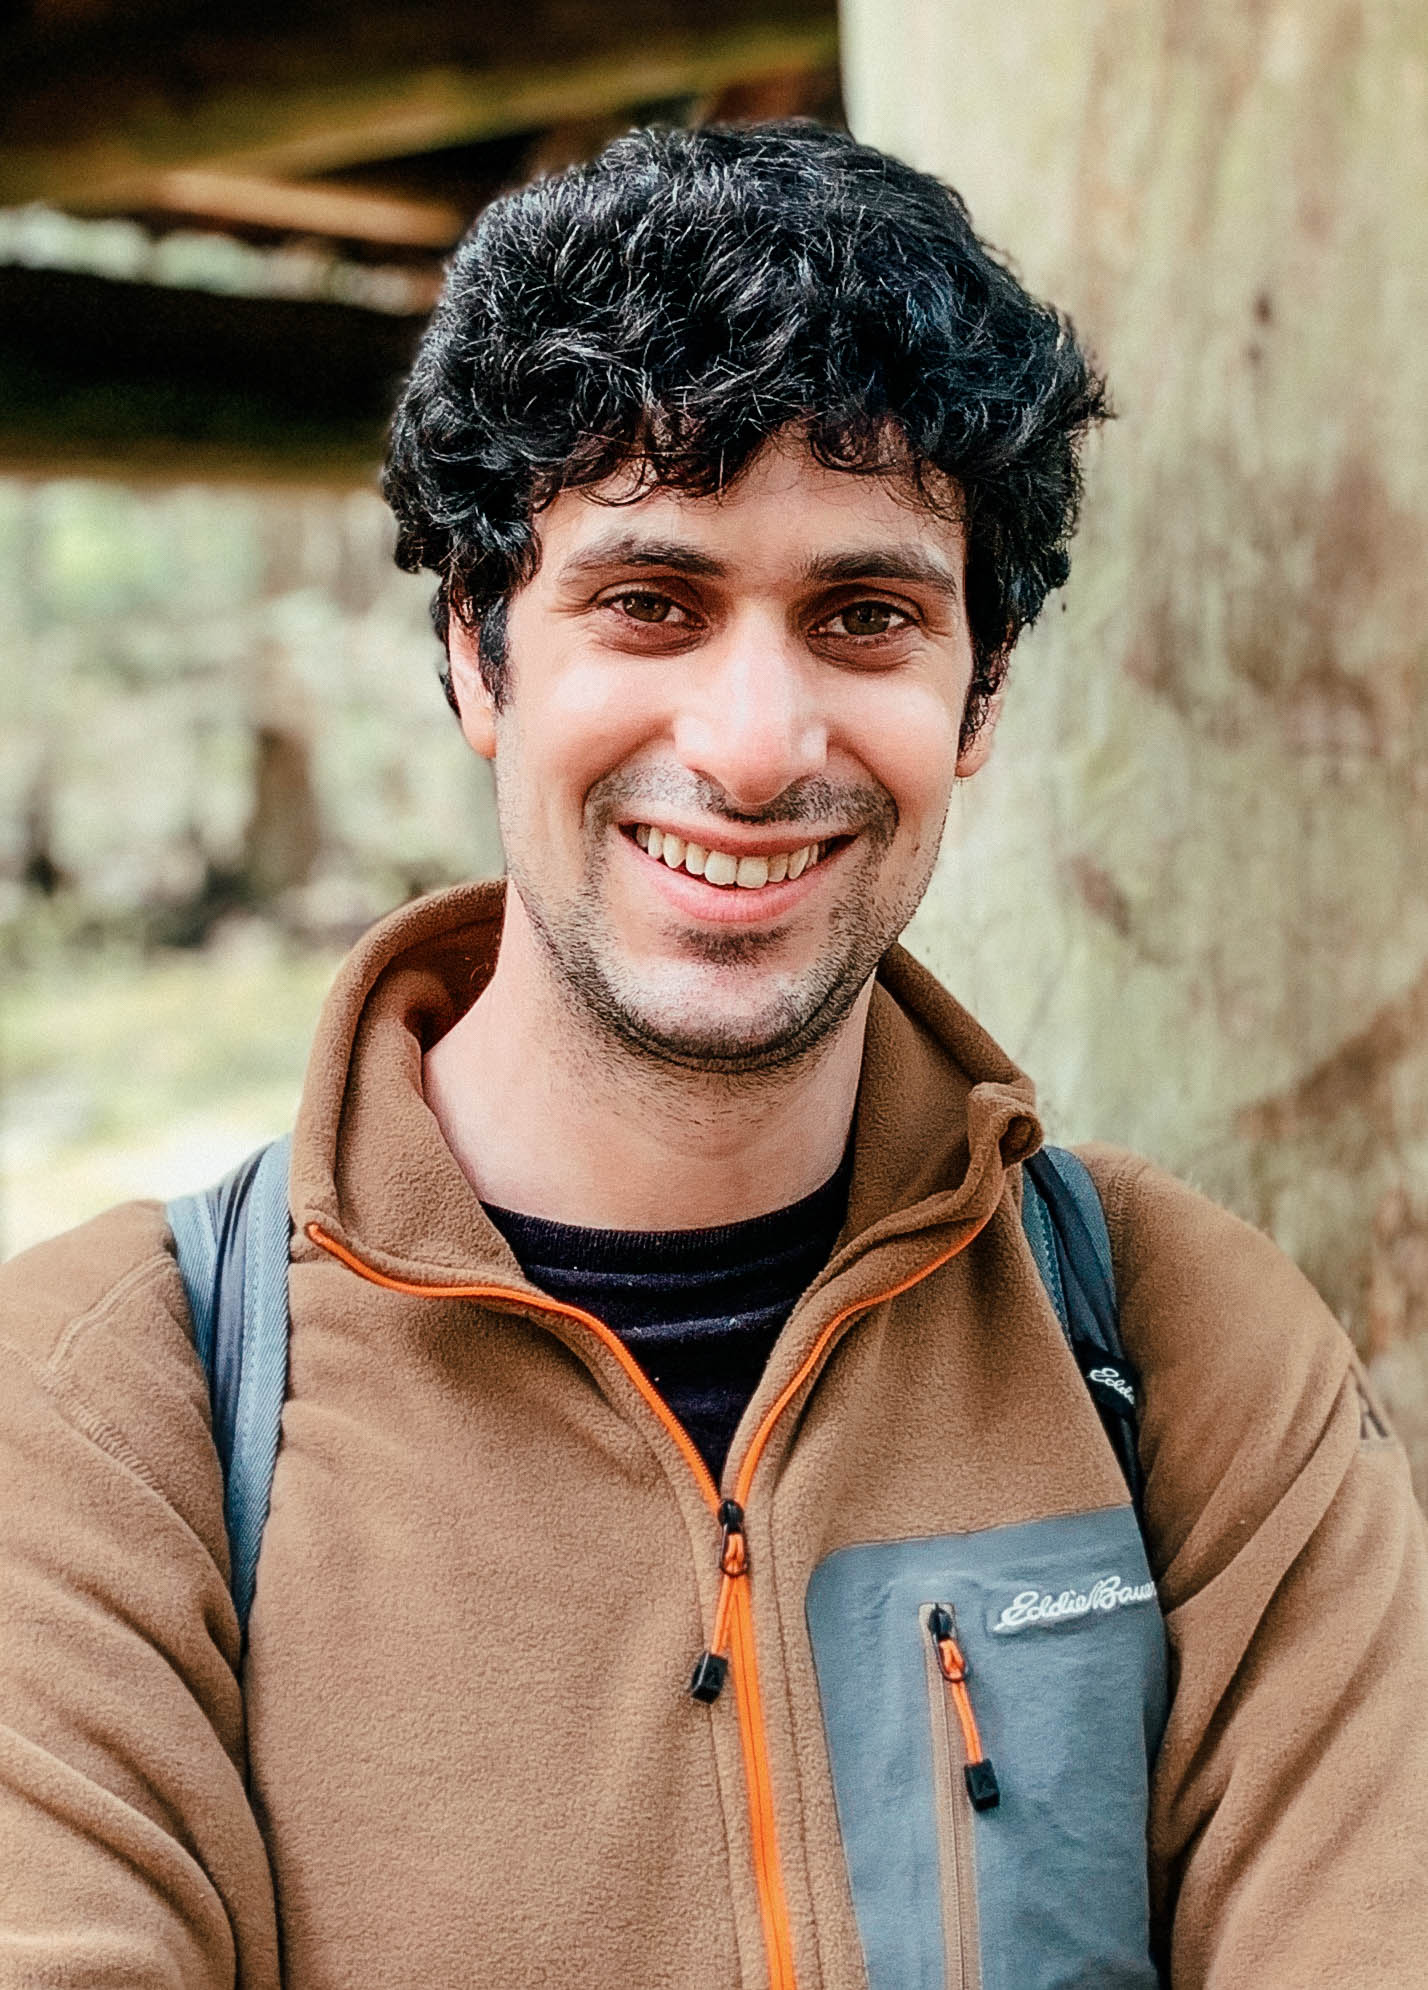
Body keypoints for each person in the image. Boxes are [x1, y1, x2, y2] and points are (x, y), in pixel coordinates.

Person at [1, 121, 1424, 1990]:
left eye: (866, 616)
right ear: (475, 652)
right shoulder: (113, 1412)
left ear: (976, 694)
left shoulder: (1189, 1351)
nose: (755, 742)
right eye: (650, 601)